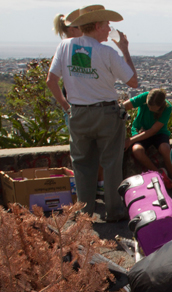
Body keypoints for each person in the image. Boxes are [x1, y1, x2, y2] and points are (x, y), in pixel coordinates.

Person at [47, 5, 138, 222]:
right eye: (107, 24)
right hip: (106, 114)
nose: (109, 29)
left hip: (78, 113)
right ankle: (114, 211)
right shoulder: (107, 52)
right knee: (111, 163)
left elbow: (51, 81)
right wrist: (125, 49)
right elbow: (133, 81)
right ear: (97, 25)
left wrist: (67, 107)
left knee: (81, 164)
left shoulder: (65, 46)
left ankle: (84, 214)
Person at [54, 11, 105, 197]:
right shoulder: (70, 48)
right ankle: (89, 188)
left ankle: (87, 190)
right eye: (78, 27)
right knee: (86, 152)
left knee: (83, 152)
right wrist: (67, 107)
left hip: (76, 109)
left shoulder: (66, 49)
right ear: (71, 29)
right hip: (79, 109)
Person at [122, 89, 172, 192]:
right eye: (148, 106)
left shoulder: (167, 107)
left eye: (153, 108)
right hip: (140, 129)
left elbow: (153, 131)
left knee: (165, 148)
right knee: (137, 150)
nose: (150, 109)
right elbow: (125, 106)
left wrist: (130, 140)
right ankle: (159, 175)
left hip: (158, 132)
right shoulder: (144, 97)